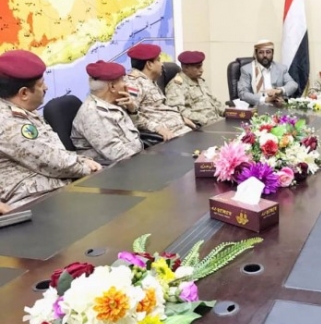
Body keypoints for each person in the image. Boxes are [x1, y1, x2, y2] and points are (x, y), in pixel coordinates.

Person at [0, 50, 101, 214]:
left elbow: (51, 152)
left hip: (57, 193)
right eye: (41, 85)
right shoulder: (10, 123)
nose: (46, 87)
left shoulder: (20, 111)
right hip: (36, 204)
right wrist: (90, 167)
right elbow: (53, 162)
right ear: (24, 93)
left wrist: (82, 161)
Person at [71, 60, 143, 162]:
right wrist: (146, 160)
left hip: (135, 158)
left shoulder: (115, 102)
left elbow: (135, 132)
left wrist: (132, 110)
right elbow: (117, 154)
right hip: (117, 167)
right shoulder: (93, 113)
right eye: (122, 80)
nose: (126, 84)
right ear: (112, 86)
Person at [124, 43, 194, 140]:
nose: (161, 64)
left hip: (178, 128)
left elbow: (156, 109)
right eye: (158, 60)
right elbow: (131, 117)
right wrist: (158, 128)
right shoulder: (133, 84)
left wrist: (181, 118)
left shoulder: (149, 81)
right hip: (169, 136)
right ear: (149, 64)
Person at [165, 51, 224, 126]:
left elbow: (213, 101)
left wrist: (229, 112)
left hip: (216, 121)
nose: (202, 70)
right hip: (201, 125)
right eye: (198, 67)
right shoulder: (176, 85)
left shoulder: (200, 81)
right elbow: (177, 112)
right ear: (185, 67)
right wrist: (204, 120)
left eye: (201, 66)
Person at [237, 40, 298, 107]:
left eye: (268, 52)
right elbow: (243, 93)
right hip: (256, 107)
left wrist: (280, 90)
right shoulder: (247, 69)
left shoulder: (281, 68)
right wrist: (265, 99)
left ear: (272, 53)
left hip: (278, 106)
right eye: (261, 52)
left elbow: (293, 84)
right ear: (256, 54)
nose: (265, 55)